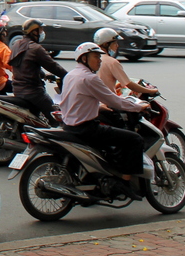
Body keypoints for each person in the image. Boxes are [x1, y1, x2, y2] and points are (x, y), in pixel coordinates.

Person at [59, 42, 148, 200]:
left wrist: (98, 107)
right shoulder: (90, 78)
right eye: (96, 57)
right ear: (84, 58)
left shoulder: (70, 75)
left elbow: (75, 100)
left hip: (68, 126)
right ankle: (125, 184)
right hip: (86, 129)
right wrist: (138, 107)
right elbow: (115, 101)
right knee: (134, 139)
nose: (99, 60)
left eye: (100, 57)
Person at [9, 18, 67, 125]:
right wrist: (68, 76)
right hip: (33, 93)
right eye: (40, 30)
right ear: (33, 32)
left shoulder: (17, 45)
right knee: (55, 116)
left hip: (18, 90)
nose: (42, 33)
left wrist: (44, 75)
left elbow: (26, 65)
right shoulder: (36, 49)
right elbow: (54, 66)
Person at [93, 28, 156, 96]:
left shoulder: (92, 59)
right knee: (142, 106)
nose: (117, 46)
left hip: (96, 100)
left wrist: (115, 87)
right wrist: (150, 91)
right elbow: (129, 85)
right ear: (106, 44)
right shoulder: (112, 62)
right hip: (108, 101)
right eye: (115, 43)